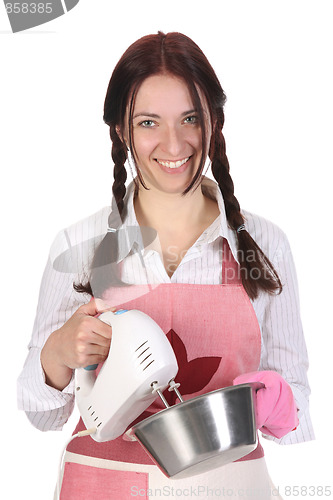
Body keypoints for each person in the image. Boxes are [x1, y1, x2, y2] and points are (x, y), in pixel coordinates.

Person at [17, 31, 314, 499]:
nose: (173, 144)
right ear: (122, 130)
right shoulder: (81, 244)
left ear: (214, 121)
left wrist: (279, 402)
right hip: (104, 488)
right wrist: (56, 354)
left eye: (190, 119)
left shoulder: (263, 244)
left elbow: (294, 407)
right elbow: (42, 415)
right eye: (149, 122)